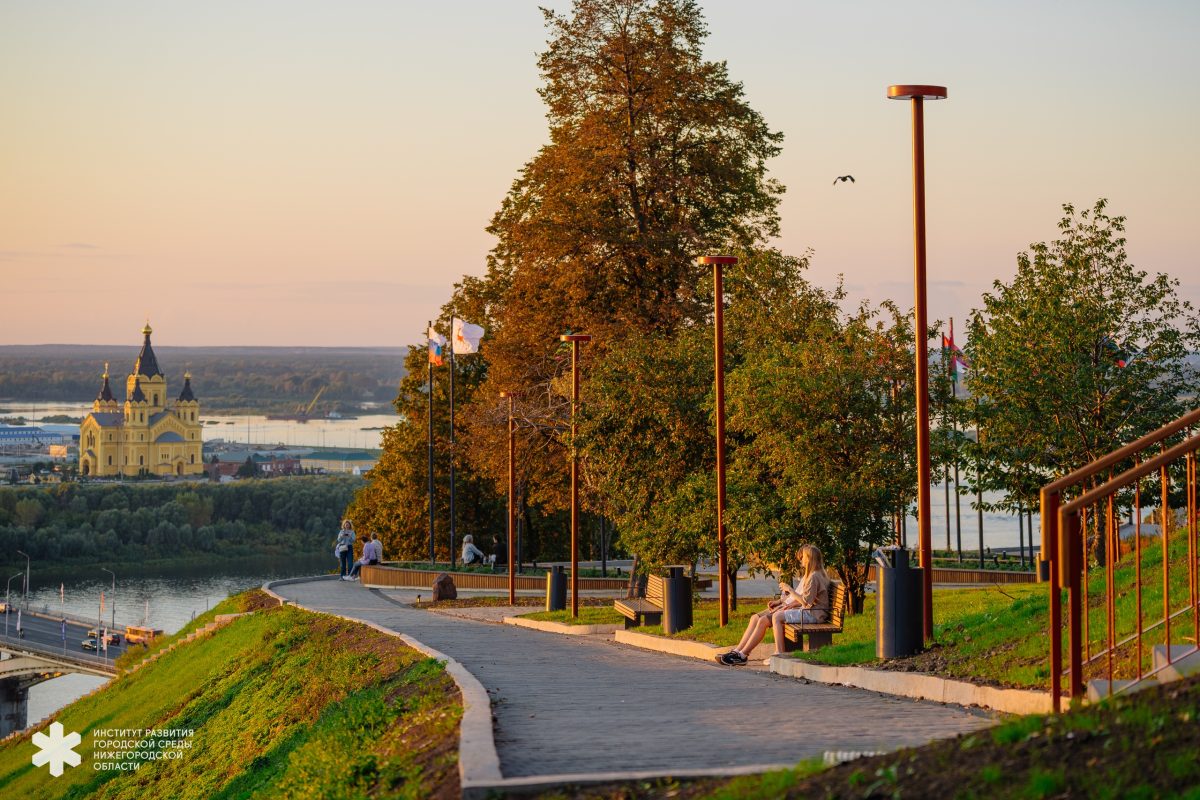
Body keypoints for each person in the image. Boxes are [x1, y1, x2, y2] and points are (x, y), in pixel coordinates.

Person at [718, 544, 830, 667]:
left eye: (803, 557)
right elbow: (806, 599)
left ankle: (773, 654)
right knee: (760, 617)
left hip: (813, 614)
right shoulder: (815, 574)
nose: (801, 560)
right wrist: (783, 602)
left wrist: (790, 590)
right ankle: (740, 652)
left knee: (775, 617)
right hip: (811, 611)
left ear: (809, 559)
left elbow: (806, 602)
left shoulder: (814, 577)